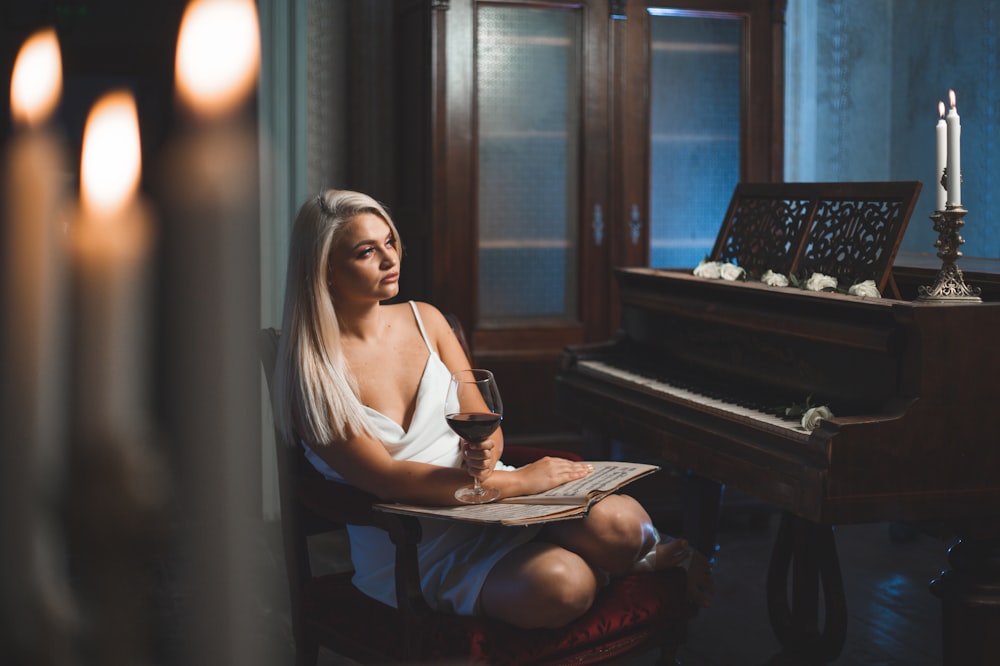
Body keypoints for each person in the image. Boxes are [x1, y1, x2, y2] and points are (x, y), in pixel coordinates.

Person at [273, 189, 714, 629]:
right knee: (565, 585)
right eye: (367, 252)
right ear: (325, 270)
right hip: (418, 545)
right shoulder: (311, 372)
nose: (390, 260)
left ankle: (605, 559)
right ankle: (597, 569)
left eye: (390, 242)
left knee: (627, 525)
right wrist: (519, 481)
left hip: (497, 505)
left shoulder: (426, 319)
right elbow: (387, 480)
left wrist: (487, 453)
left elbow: (483, 420)